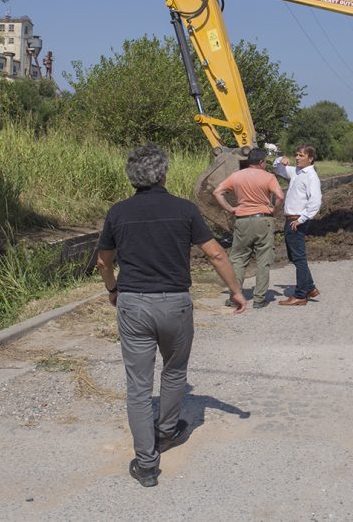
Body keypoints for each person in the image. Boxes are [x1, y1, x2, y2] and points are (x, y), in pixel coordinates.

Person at [96, 143, 247, 488]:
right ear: (163, 173)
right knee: (175, 372)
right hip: (175, 304)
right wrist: (236, 291)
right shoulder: (184, 210)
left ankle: (147, 465)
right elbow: (217, 255)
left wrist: (112, 289)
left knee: (138, 386)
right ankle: (166, 433)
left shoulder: (118, 213)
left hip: (134, 304)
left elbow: (104, 261)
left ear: (131, 177)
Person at [212, 147, 285, 309]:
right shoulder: (269, 177)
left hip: (242, 221)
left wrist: (231, 209)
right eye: (265, 161)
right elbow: (280, 196)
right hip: (263, 220)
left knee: (238, 259)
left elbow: (218, 192)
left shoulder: (236, 176)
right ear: (261, 162)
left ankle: (234, 297)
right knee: (263, 260)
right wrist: (274, 210)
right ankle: (259, 299)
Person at [273, 144, 322, 306]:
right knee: (294, 256)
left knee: (299, 258)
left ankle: (301, 295)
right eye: (296, 155)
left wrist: (301, 219)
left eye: (301, 155)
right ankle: (310, 287)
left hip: (297, 221)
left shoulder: (311, 177)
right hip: (291, 220)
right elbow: (277, 168)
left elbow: (315, 202)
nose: (297, 158)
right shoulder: (297, 172)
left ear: (310, 158)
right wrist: (281, 159)